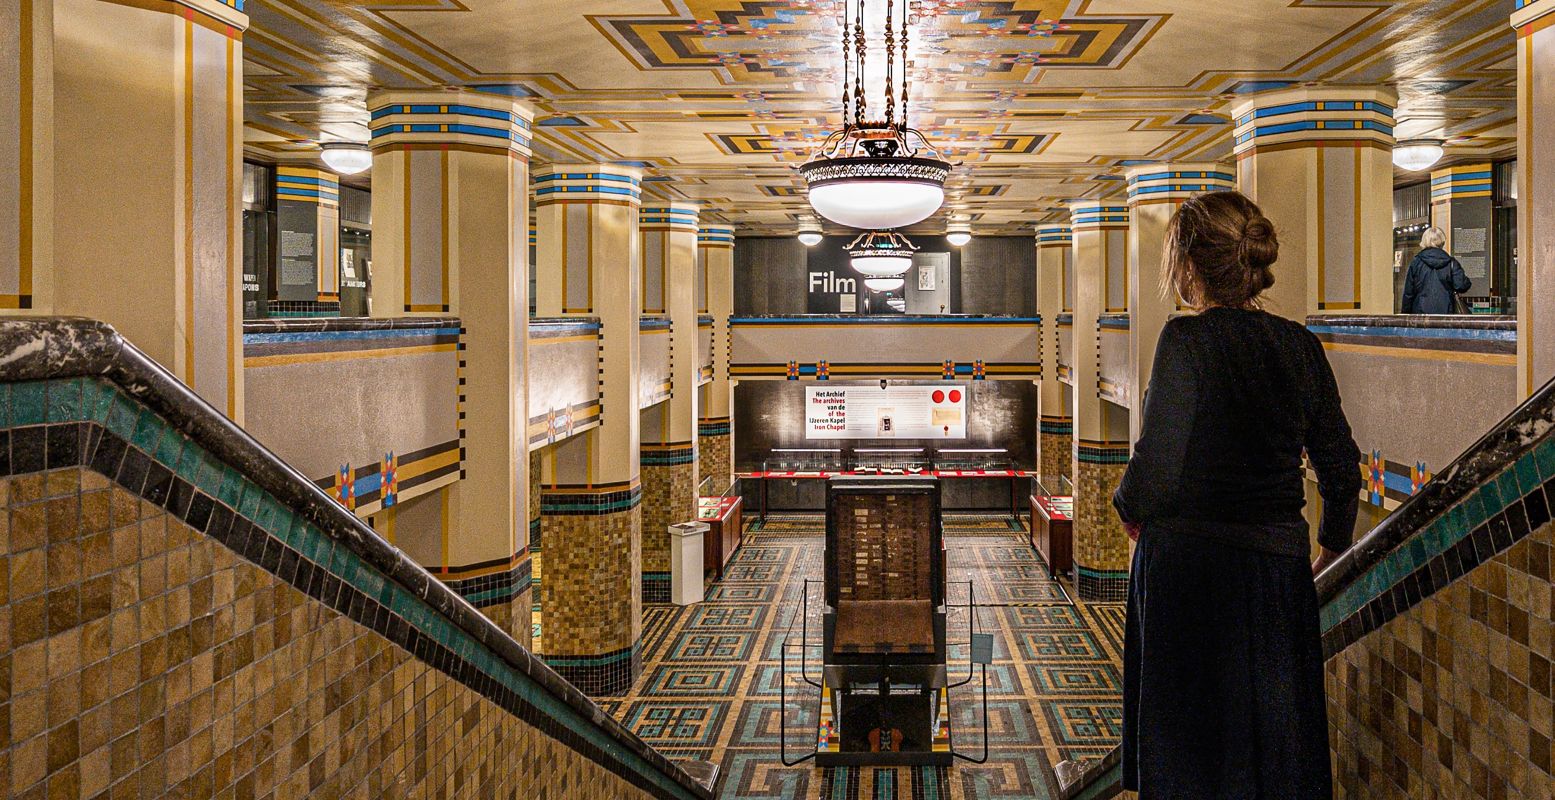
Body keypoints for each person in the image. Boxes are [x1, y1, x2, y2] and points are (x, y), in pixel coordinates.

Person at [1113, 190, 1361, 799]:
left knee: (1190, 750)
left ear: (1191, 267)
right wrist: (1330, 545)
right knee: (1273, 747)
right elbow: (1342, 467)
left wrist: (1129, 511)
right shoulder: (1299, 345)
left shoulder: (1185, 341)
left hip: (1188, 573)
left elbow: (1158, 464)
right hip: (1277, 572)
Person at [1400, 227, 1471, 314]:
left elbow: (1408, 293)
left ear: (1424, 241)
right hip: (1446, 313)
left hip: (1420, 314)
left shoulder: (1416, 262)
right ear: (1442, 241)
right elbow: (1461, 285)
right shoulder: (1450, 262)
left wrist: (1405, 314)